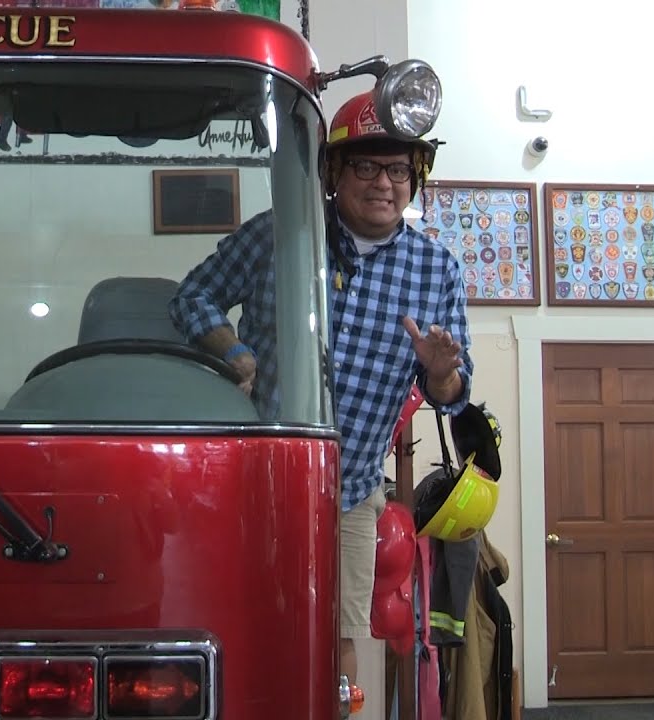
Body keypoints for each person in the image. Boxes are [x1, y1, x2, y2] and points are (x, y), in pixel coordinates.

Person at [168, 89, 474, 688]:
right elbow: (191, 297)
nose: (384, 183)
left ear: (415, 179)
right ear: (333, 171)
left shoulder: (439, 270)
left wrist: (439, 371)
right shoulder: (278, 237)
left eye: (398, 169)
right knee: (234, 625)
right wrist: (230, 350)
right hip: (253, 484)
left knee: (335, 645)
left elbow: (453, 395)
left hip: (352, 495)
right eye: (365, 165)